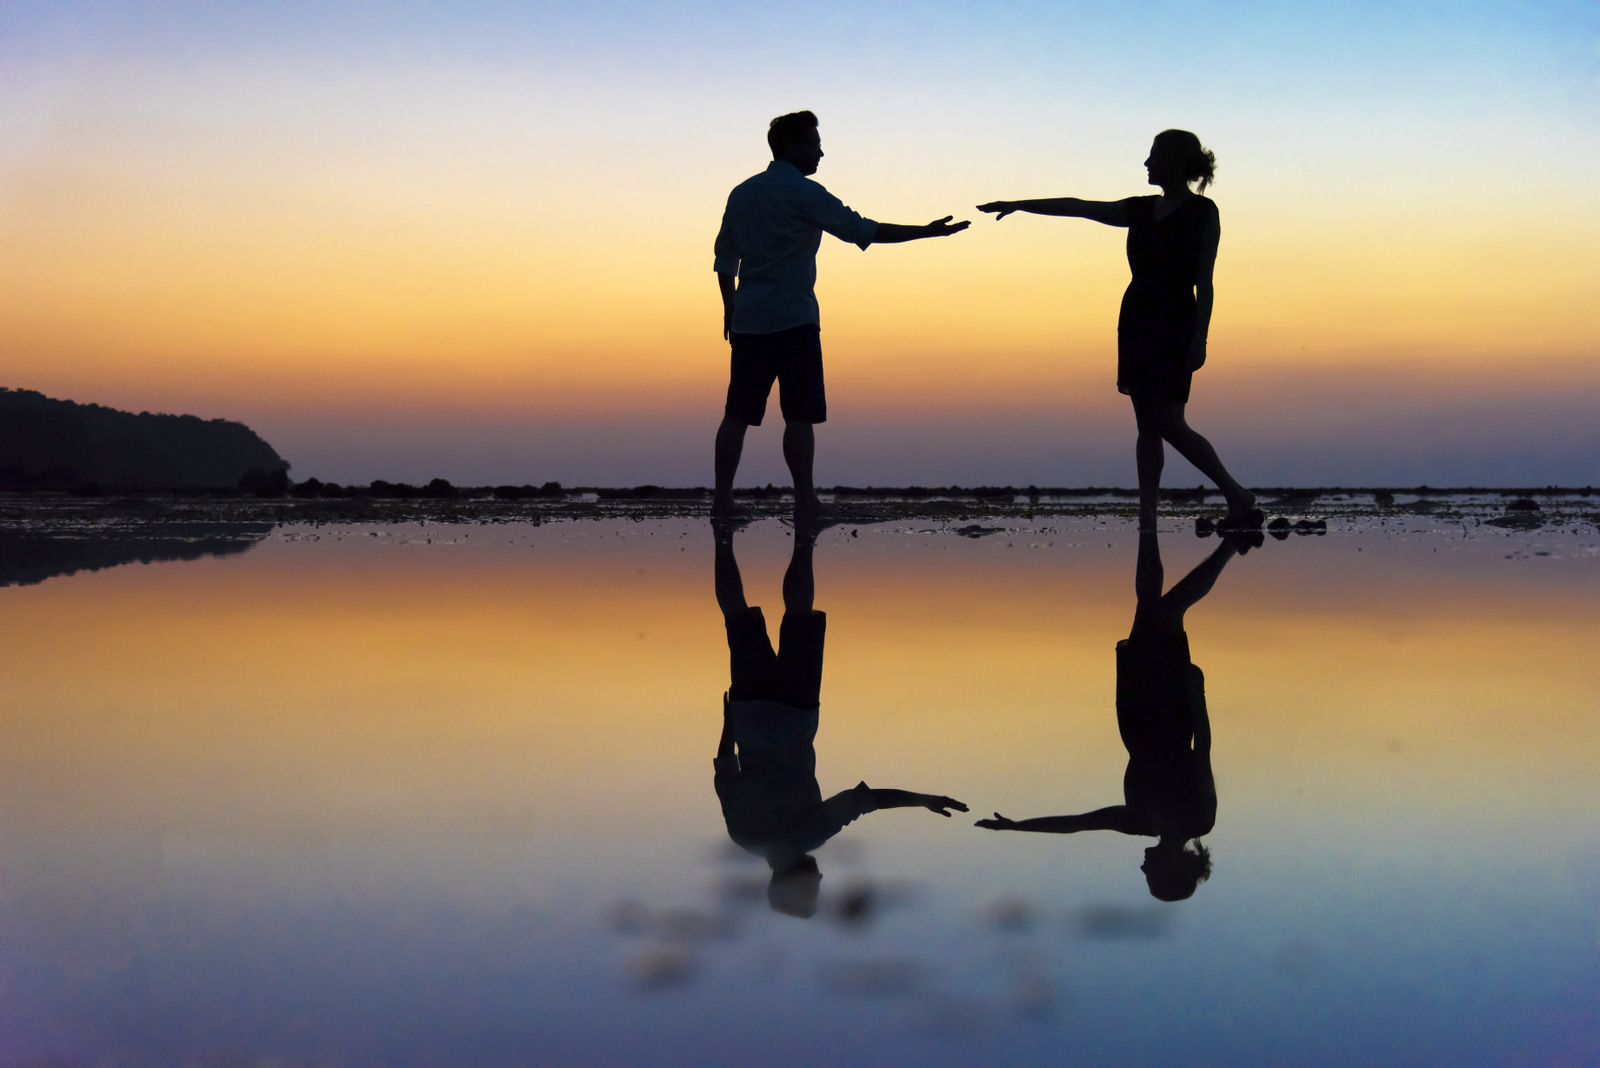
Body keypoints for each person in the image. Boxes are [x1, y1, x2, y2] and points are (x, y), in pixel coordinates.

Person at [978, 130, 1260, 531]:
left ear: (1177, 162)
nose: (1146, 163)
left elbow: (1206, 280)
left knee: (1167, 421)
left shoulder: (1203, 211)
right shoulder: (1140, 210)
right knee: (1148, 425)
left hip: (1177, 319)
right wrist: (1020, 205)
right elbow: (1079, 207)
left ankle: (1236, 493)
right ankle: (1148, 516)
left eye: (1153, 156)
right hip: (1137, 319)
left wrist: (1201, 337)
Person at [976, 528, 1260, 901]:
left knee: (1150, 605)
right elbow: (1202, 750)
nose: (1142, 867)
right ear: (1172, 868)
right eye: (1150, 874)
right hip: (1174, 713)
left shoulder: (1138, 821)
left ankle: (1164, 508)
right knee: (1166, 611)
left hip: (1134, 711)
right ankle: (1230, 542)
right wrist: (1198, 694)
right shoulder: (1199, 820)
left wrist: (1017, 827)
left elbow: (1077, 824)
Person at [713, 111, 970, 517]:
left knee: (737, 414)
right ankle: (805, 500)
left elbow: (725, 258)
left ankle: (723, 499)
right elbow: (863, 230)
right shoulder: (805, 193)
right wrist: (927, 231)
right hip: (795, 320)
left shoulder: (741, 193)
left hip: (749, 321)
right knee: (799, 415)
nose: (820, 152)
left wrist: (729, 308)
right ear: (795, 147)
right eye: (815, 144)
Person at [713, 516, 967, 917]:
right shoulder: (743, 837)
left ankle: (804, 534)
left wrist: (925, 800)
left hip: (796, 711)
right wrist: (730, 719)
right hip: (750, 712)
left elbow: (866, 801)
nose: (821, 880)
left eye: (813, 888)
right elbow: (725, 770)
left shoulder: (809, 836)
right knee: (736, 616)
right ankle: (722, 534)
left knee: (799, 616)